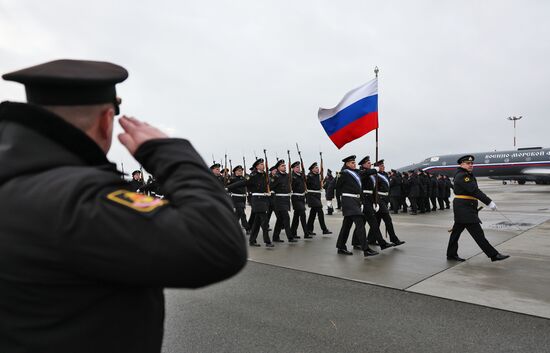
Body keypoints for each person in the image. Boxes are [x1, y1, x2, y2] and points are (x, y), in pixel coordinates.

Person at [0, 59, 247, 353]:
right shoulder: (77, 199)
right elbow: (217, 244)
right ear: (107, 120)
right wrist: (171, 154)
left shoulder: (16, 180)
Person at [446, 155, 509, 262]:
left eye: (471, 163)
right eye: (468, 163)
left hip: (464, 207)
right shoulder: (463, 176)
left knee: (455, 233)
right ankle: (493, 255)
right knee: (478, 233)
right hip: (465, 209)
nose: (470, 165)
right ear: (461, 164)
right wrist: (489, 202)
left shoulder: (464, 174)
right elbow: (474, 191)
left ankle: (451, 254)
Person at [335, 155, 379, 256]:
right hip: (348, 202)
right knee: (360, 223)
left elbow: (365, 174)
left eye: (354, 162)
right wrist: (329, 199)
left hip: (356, 201)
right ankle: (366, 249)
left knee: (346, 226)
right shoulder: (344, 173)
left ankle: (341, 246)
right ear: (346, 164)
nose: (354, 164)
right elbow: (335, 186)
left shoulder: (356, 173)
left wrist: (362, 202)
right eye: (352, 163)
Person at [227, 158, 273, 247]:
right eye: (261, 164)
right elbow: (242, 183)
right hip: (256, 200)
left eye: (263, 164)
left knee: (257, 222)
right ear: (256, 166)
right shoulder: (253, 175)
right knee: (264, 220)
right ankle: (267, 241)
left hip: (264, 199)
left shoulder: (264, 175)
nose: (262, 166)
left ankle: (252, 240)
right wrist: (228, 187)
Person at [368, 160, 405, 246]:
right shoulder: (375, 175)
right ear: (377, 167)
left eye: (383, 166)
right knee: (388, 219)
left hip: (385, 199)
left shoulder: (384, 174)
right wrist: (375, 201)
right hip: (379, 199)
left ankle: (371, 239)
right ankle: (394, 239)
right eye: (381, 166)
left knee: (377, 221)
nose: (383, 167)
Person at [270, 159, 298, 242]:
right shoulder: (276, 176)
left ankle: (275, 237)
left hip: (286, 199)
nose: (284, 166)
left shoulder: (287, 175)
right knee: (286, 218)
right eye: (282, 166)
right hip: (279, 200)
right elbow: (270, 186)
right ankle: (290, 237)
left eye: (285, 165)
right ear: (278, 168)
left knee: (280, 219)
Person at [306, 162, 332, 235]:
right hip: (312, 196)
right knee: (320, 212)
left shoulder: (318, 176)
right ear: (312, 169)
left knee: (313, 214)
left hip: (317, 196)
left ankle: (308, 229)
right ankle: (324, 229)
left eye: (318, 167)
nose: (318, 169)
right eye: (316, 168)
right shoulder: (309, 176)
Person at [227, 165, 250, 234]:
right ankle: (247, 228)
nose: (241, 172)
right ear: (235, 172)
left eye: (241, 171)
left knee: (238, 215)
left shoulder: (244, 178)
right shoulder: (232, 179)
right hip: (236, 198)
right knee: (242, 214)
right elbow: (227, 187)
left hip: (243, 198)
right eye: (239, 171)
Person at [290, 161, 308, 238]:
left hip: (302, 197)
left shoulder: (301, 175)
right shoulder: (292, 176)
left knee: (296, 216)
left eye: (299, 167)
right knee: (302, 214)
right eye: (297, 167)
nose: (298, 168)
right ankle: (306, 233)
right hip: (296, 197)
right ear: (293, 168)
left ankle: (292, 232)